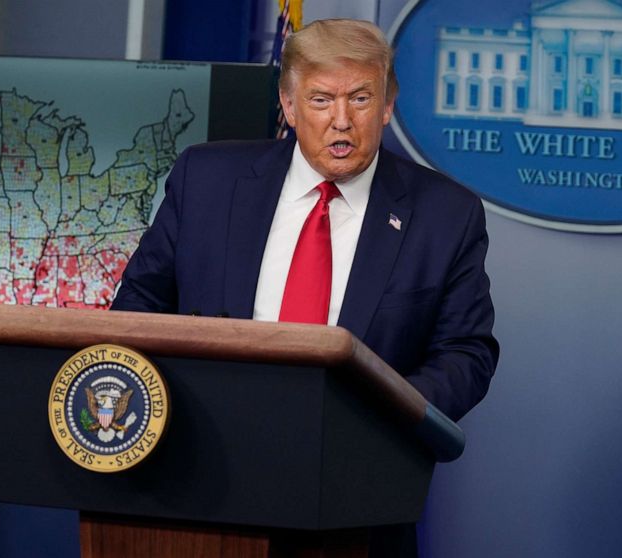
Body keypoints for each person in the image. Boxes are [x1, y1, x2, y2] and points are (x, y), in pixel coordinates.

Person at [111, 19, 498, 554]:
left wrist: (379, 418)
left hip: (354, 501)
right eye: (321, 100)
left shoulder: (445, 215)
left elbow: (466, 353)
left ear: (387, 106)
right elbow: (138, 307)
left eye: (361, 98)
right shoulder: (206, 180)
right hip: (197, 482)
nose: (343, 121)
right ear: (289, 108)